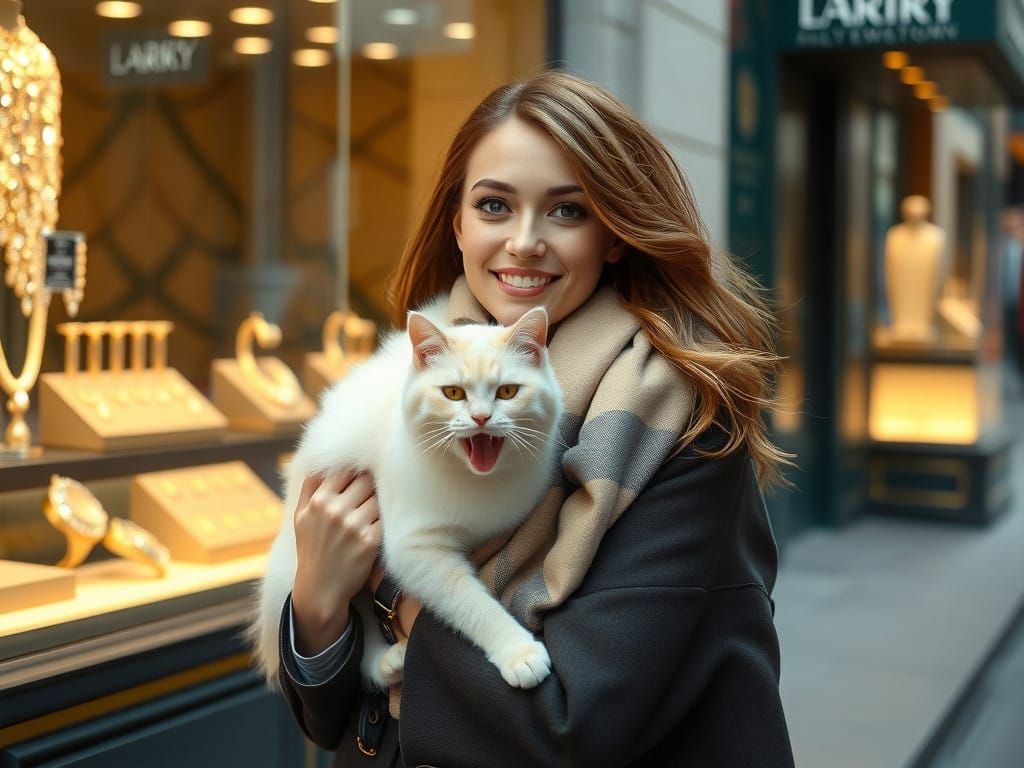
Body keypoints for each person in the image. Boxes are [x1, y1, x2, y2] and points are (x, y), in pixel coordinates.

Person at [275, 70, 795, 767]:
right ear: (457, 224)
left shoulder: (678, 421)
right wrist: (316, 599)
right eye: (494, 205)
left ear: (614, 235)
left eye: (566, 211)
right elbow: (335, 720)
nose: (524, 242)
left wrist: (391, 582)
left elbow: (571, 727)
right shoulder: (409, 382)